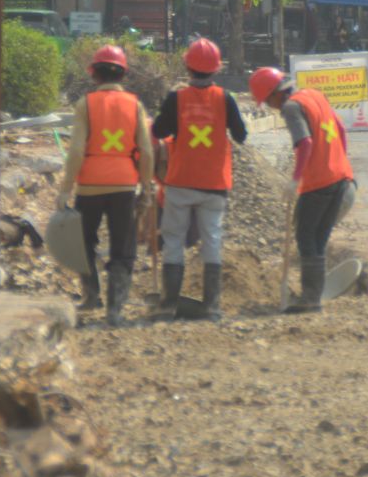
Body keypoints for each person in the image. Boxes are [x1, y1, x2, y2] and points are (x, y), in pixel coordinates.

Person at [150, 38, 248, 321]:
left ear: (187, 67)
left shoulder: (176, 99)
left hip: (180, 182)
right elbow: (241, 135)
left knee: (173, 240)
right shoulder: (225, 98)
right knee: (212, 239)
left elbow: (157, 130)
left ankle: (168, 304)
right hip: (215, 184)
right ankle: (212, 307)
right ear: (217, 69)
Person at [56, 45, 154, 327]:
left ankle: (90, 295)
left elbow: (76, 152)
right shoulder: (134, 105)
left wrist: (65, 189)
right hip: (124, 185)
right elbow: (146, 152)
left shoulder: (85, 105)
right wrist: (146, 188)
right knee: (123, 248)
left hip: (89, 186)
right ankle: (115, 310)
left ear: (94, 75)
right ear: (122, 74)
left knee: (83, 242)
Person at [249, 67, 354, 313]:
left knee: (306, 237)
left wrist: (295, 179)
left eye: (267, 101)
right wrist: (339, 160)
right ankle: (313, 294)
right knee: (318, 237)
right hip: (342, 178)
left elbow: (305, 142)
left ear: (275, 94)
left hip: (318, 184)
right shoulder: (314, 95)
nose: (271, 107)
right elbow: (340, 129)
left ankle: (310, 297)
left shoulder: (291, 107)